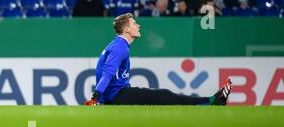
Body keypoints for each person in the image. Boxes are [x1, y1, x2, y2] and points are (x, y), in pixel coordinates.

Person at [84, 13, 232, 106]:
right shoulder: (119, 47)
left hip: (116, 94)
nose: (138, 25)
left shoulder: (119, 44)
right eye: (134, 23)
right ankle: (210, 102)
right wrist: (96, 97)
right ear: (127, 29)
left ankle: (210, 101)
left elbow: (110, 74)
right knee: (163, 95)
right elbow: (107, 73)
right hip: (116, 96)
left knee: (156, 99)